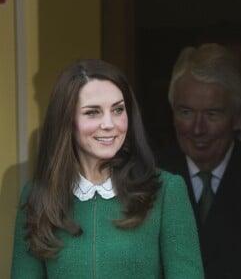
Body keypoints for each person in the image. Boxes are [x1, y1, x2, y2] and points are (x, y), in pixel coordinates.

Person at [11, 59, 204, 278]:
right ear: (67, 120)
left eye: (118, 110)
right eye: (93, 112)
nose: (109, 124)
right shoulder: (38, 195)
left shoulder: (167, 191)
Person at [155, 43, 241, 279]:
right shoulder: (149, 178)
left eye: (212, 114)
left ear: (236, 116)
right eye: (186, 112)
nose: (197, 129)